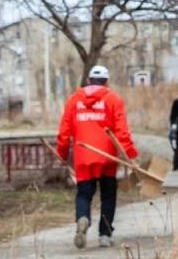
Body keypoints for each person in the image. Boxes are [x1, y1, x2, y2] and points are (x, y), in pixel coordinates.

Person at [55, 65, 137, 248]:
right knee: (108, 194)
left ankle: (83, 218)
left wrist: (61, 154)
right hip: (107, 156)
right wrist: (130, 154)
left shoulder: (74, 100)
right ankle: (105, 235)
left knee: (84, 193)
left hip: (83, 155)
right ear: (106, 82)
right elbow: (122, 131)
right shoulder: (113, 99)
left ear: (88, 81)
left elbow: (64, 132)